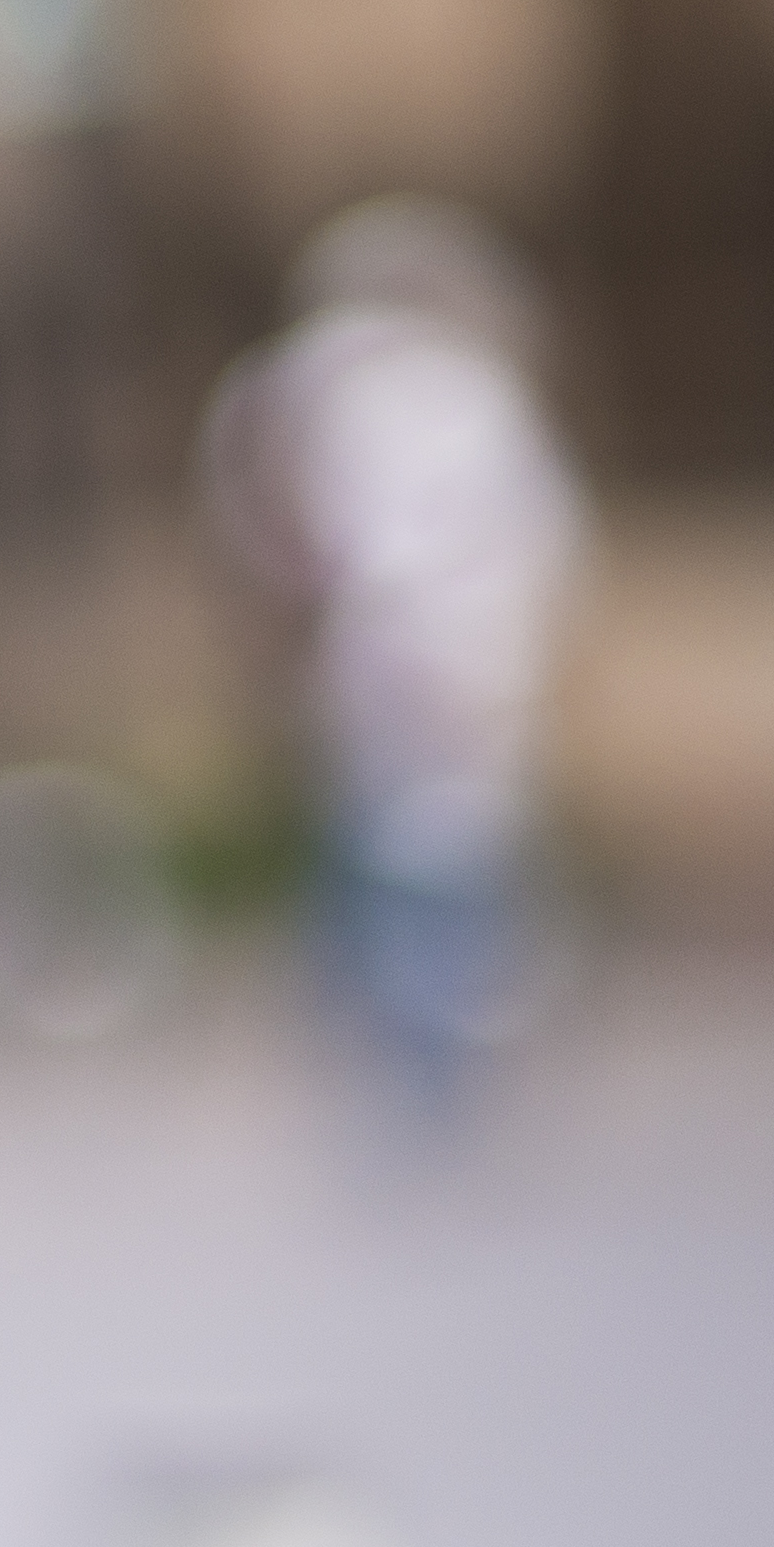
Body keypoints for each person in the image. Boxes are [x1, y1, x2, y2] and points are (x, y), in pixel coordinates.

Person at [197, 194, 589, 1131]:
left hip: (394, 655)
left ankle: (405, 1065)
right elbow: (545, 537)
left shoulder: (337, 390)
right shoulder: (441, 392)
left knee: (396, 856)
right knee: (431, 858)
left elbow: (289, 524)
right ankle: (426, 1069)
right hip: (449, 655)